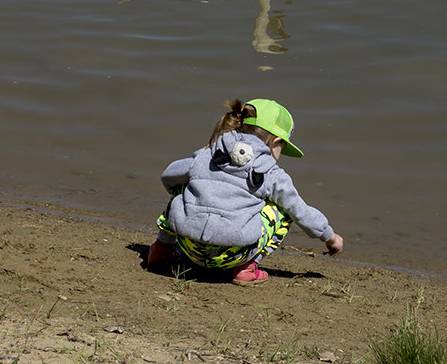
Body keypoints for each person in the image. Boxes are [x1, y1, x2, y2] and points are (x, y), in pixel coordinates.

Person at [146, 98, 344, 285]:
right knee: (284, 211)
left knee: (183, 188)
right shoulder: (272, 172)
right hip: (233, 254)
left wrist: (188, 195)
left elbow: (169, 174)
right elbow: (301, 211)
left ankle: (161, 250)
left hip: (189, 247)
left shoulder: (210, 152)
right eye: (282, 147)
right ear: (275, 142)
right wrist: (330, 237)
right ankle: (247, 268)